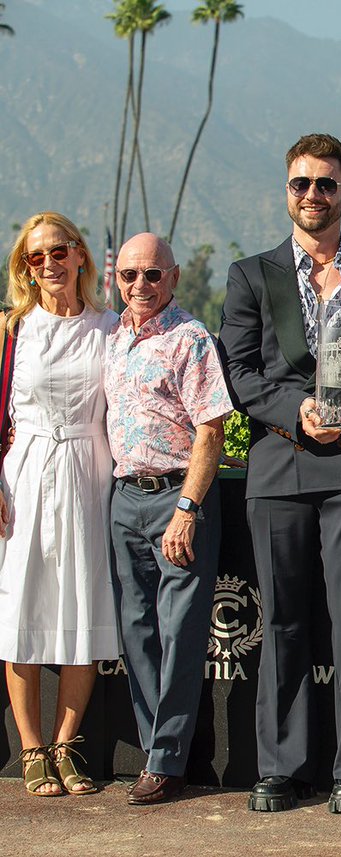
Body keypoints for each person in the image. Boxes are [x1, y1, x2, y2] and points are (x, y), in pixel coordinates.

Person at [220, 132, 341, 815]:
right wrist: (295, 412)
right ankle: (281, 767)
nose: (312, 194)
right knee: (283, 623)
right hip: (278, 466)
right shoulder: (251, 275)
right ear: (287, 191)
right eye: (301, 183)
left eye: (325, 184)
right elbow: (238, 373)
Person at [105, 233, 232, 805]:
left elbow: (211, 430)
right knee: (136, 631)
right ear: (117, 279)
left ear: (173, 278)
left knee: (179, 633)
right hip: (123, 499)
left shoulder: (191, 338)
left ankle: (165, 761)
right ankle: (156, 747)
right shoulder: (112, 338)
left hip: (177, 500)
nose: (140, 285)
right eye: (129, 275)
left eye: (152, 274)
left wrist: (187, 508)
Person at [0, 213, 120, 797]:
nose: (48, 263)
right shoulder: (11, 329)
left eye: (58, 251)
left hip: (89, 472)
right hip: (23, 477)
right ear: (25, 267)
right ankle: (31, 748)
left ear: (79, 255)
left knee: (82, 604)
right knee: (20, 608)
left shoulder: (110, 326)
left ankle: (66, 745)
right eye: (35, 256)